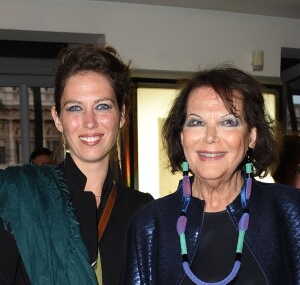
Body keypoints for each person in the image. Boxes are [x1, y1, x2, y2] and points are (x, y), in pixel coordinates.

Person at [123, 66, 300, 284]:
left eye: (228, 122)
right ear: (182, 137)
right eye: (197, 122)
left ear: (251, 137)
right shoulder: (150, 224)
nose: (210, 137)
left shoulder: (289, 210)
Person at [0, 43, 153, 284]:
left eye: (102, 106)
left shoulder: (142, 209)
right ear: (57, 119)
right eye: (75, 108)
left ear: (122, 114)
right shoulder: (21, 196)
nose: (89, 122)